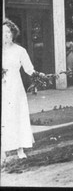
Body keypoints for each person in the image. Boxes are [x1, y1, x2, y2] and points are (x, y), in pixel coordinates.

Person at [2, 19, 43, 164]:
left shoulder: (20, 50)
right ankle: (3, 150)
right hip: (2, 88)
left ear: (13, 33)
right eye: (3, 32)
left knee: (16, 116)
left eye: (8, 32)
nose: (6, 35)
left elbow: (29, 69)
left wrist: (39, 76)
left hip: (15, 88)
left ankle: (20, 149)